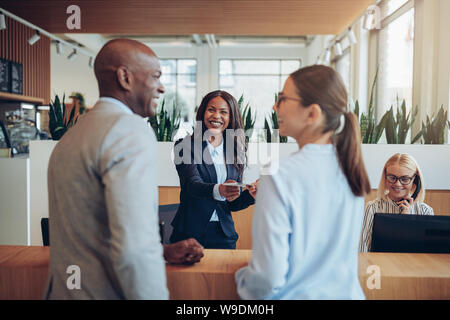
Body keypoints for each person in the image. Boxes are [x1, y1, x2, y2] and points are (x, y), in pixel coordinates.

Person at [45, 39, 203, 300]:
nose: (161, 87)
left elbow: (92, 232)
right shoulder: (128, 130)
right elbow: (135, 249)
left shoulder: (72, 136)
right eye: (155, 76)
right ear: (125, 78)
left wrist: (162, 250)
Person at [235, 65, 371, 299]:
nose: (275, 106)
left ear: (312, 114)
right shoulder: (352, 170)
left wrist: (241, 278)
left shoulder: (278, 175)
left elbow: (266, 279)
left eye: (283, 99)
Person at [170, 90, 257, 249]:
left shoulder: (235, 149)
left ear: (231, 118)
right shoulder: (185, 145)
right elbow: (192, 185)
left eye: (223, 112)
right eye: (211, 110)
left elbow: (231, 204)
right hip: (189, 235)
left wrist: (250, 196)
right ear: (203, 113)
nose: (216, 116)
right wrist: (220, 189)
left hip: (224, 235)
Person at [359, 153, 434, 252]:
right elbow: (363, 248)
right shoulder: (373, 207)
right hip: (380, 265)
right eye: (392, 177)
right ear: (385, 178)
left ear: (415, 181)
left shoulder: (425, 211)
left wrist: (407, 219)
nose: (398, 184)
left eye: (405, 179)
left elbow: (426, 252)